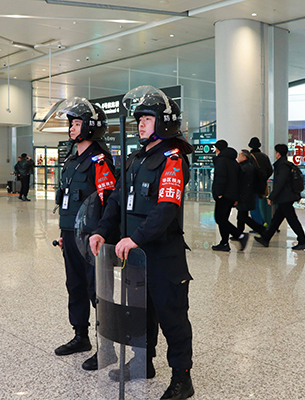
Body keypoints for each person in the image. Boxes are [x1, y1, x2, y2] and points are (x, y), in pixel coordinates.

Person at [90, 86, 195, 400]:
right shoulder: (135, 159)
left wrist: (135, 237)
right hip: (135, 256)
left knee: (172, 317)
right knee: (140, 313)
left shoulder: (173, 159)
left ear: (164, 122)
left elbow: (166, 209)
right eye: (139, 120)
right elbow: (116, 201)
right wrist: (101, 231)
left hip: (163, 255)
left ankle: (182, 377)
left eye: (147, 119)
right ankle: (143, 362)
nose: (141, 125)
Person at [54, 98, 115, 372]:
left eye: (77, 123)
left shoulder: (99, 161)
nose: (71, 128)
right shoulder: (71, 160)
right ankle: (81, 336)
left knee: (97, 291)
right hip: (71, 235)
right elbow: (67, 199)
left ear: (90, 127)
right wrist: (64, 233)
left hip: (92, 238)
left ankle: (107, 348)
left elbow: (109, 201)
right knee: (75, 286)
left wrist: (103, 233)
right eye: (71, 124)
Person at [254, 144, 305, 250]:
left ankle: (302, 241)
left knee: (292, 219)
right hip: (286, 196)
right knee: (276, 219)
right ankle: (266, 238)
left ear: (278, 154)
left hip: (285, 197)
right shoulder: (286, 164)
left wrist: (271, 197)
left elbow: (280, 183)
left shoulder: (283, 166)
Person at [211, 140, 248, 252]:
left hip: (223, 195)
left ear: (218, 149)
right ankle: (224, 243)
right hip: (231, 195)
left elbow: (220, 177)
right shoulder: (234, 162)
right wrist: (237, 197)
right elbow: (239, 180)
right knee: (223, 219)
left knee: (220, 218)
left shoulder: (221, 160)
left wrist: (219, 193)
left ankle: (239, 235)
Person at [235, 150, 266, 237]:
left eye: (239, 155)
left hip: (245, 195)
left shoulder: (245, 168)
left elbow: (243, 184)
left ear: (244, 157)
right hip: (247, 195)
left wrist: (239, 195)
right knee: (241, 216)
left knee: (243, 217)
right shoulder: (248, 166)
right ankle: (239, 233)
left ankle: (261, 229)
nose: (238, 157)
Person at [248, 137, 273, 226]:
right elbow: (270, 170)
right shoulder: (264, 156)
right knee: (259, 203)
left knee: (253, 205)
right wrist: (264, 178)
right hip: (262, 184)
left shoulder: (250, 157)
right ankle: (263, 222)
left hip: (252, 184)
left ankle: (258, 225)